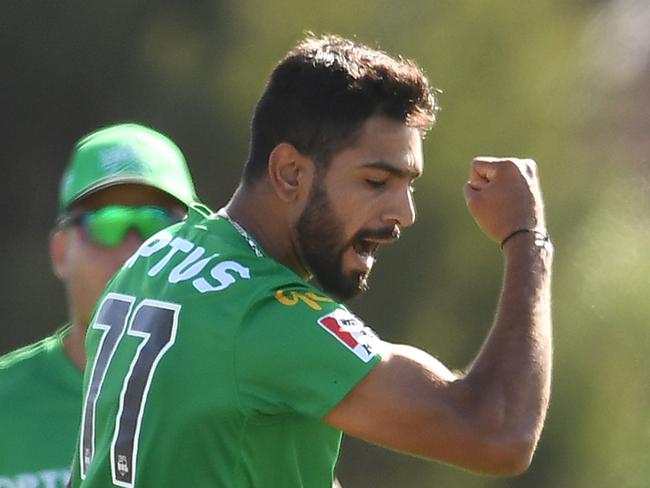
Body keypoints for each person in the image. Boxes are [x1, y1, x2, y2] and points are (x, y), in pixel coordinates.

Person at [69, 35, 553, 487]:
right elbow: (499, 434)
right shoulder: (266, 314)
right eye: (375, 181)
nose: (404, 213)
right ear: (289, 173)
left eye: (410, 184)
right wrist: (528, 239)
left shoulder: (159, 254)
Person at [0, 123, 198, 488]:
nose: (133, 252)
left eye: (159, 227)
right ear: (61, 252)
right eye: (107, 224)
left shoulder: (242, 399)